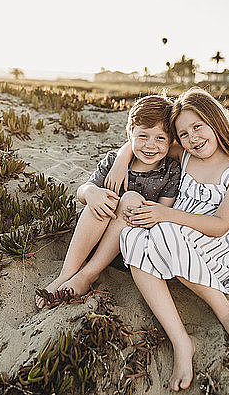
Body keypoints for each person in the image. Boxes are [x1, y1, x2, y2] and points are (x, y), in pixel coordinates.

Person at [104, 87, 229, 391]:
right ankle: (181, 340)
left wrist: (166, 216)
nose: (193, 139)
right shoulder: (185, 154)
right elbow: (144, 144)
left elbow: (219, 225)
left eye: (198, 127)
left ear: (216, 121)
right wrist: (122, 159)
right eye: (184, 134)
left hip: (212, 244)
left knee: (158, 229)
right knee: (134, 232)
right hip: (170, 235)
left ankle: (226, 312)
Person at [35, 95, 181, 309]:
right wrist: (92, 193)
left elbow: (162, 212)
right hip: (92, 242)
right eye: (143, 136)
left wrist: (132, 208)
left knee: (130, 199)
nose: (150, 145)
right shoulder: (115, 161)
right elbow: (83, 190)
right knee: (101, 196)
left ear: (171, 141)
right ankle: (66, 274)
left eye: (160, 138)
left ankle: (87, 275)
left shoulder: (170, 169)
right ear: (129, 134)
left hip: (127, 251)